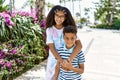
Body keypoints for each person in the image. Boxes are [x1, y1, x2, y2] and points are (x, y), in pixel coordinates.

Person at [45, 5, 82, 80]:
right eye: (57, 15)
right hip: (53, 62)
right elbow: (52, 48)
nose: (59, 18)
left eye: (62, 16)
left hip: (68, 62)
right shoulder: (50, 30)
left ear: (65, 18)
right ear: (53, 15)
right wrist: (62, 62)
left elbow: (79, 46)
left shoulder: (68, 29)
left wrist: (69, 60)